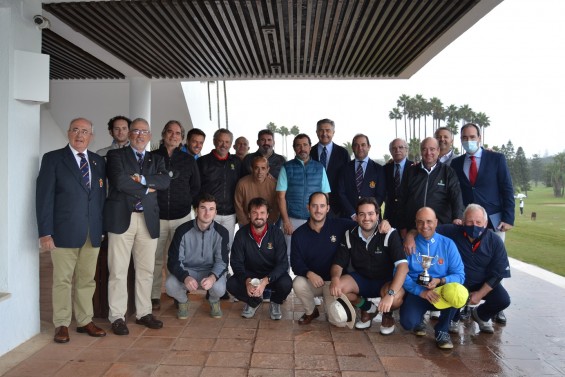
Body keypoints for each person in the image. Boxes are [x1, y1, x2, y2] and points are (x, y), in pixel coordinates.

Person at [36, 118, 107, 343]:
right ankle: (62, 323)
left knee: (87, 280)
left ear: (91, 137)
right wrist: (45, 232)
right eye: (75, 130)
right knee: (63, 280)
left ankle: (85, 320)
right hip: (63, 232)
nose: (79, 134)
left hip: (92, 232)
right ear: (68, 133)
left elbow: (100, 199)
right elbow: (44, 198)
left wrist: (101, 229)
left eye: (85, 131)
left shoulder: (97, 162)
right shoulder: (53, 159)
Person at [105, 118, 171, 335]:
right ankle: (117, 316)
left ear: (150, 136)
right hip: (121, 218)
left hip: (148, 220)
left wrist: (140, 179)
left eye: (144, 131)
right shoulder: (116, 155)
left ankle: (144, 313)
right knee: (118, 271)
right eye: (135, 131)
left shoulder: (157, 158)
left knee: (146, 270)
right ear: (129, 134)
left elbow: (164, 182)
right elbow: (119, 181)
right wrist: (146, 188)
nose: (140, 135)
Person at [451, 123, 514, 324]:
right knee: (467, 261)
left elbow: (506, 187)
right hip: (468, 220)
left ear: (479, 137)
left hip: (493, 221)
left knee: (496, 261)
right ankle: (463, 303)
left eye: (472, 136)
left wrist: (508, 217)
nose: (468, 140)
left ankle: (493, 308)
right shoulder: (457, 162)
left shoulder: (496, 158)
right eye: (464, 137)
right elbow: (456, 193)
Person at [329, 197, 408, 334]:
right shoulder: (349, 234)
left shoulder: (389, 233)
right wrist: (335, 279)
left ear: (377, 215)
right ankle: (368, 308)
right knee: (337, 289)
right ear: (357, 217)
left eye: (371, 214)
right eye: (362, 214)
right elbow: (338, 263)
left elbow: (403, 267)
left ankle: (387, 315)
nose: (367, 218)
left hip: (386, 282)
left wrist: (390, 294)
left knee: (395, 297)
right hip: (362, 279)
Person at [434, 204, 511, 334]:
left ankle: (481, 315)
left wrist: (480, 294)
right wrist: (411, 235)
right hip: (459, 281)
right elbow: (428, 229)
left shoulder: (495, 241)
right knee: (454, 292)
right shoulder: (452, 232)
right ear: (463, 222)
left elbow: (499, 273)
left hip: (482, 282)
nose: (474, 225)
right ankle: (454, 318)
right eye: (469, 222)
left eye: (478, 222)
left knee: (503, 300)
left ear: (486, 223)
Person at [151, 120, 201, 310]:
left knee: (180, 259)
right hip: (157, 217)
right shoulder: (152, 157)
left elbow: (195, 187)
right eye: (170, 132)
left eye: (178, 133)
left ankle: (178, 293)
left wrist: (191, 206)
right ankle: (154, 295)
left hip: (181, 217)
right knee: (155, 258)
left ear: (182, 138)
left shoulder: (188, 160)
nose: (173, 136)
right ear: (164, 134)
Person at [399, 207, 465, 349]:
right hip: (418, 290)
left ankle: (442, 329)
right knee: (407, 323)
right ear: (415, 224)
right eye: (420, 222)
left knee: (457, 292)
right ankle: (419, 319)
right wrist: (420, 291)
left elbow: (460, 275)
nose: (425, 226)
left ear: (436, 222)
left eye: (429, 221)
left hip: (441, 291)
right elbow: (399, 273)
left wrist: (441, 281)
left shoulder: (448, 244)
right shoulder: (408, 245)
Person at [291, 192, 355, 325]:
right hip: (313, 282)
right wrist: (309, 274)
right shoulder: (298, 234)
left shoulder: (341, 225)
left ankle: (332, 303)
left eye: (322, 206)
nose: (318, 210)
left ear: (328, 208)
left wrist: (383, 223)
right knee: (298, 282)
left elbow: (365, 223)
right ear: (308, 207)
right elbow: (295, 263)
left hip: (334, 283)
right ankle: (311, 312)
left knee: (339, 322)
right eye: (314, 206)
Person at [165, 193, 229, 319]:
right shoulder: (182, 231)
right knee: (170, 285)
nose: (207, 213)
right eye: (203, 208)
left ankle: (213, 300)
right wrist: (185, 277)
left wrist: (212, 278)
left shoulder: (222, 232)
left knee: (220, 288)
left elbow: (222, 262)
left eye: (211, 209)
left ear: (215, 212)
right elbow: (173, 261)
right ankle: (183, 302)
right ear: (196, 210)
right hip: (188, 271)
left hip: (209, 271)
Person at [227, 197, 292, 320]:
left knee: (286, 283)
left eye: (262, 213)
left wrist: (265, 281)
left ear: (267, 215)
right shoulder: (241, 234)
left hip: (271, 274)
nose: (258, 216)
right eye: (254, 213)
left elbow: (283, 264)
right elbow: (236, 262)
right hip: (250, 274)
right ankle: (253, 301)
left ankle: (275, 302)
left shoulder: (276, 233)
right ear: (249, 215)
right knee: (231, 284)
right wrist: (247, 281)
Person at [276, 133, 330, 265]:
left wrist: (323, 219)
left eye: (305, 145)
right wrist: (286, 221)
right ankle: (287, 284)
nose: (302, 148)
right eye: (298, 146)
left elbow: (325, 196)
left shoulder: (319, 168)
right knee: (288, 254)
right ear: (294, 148)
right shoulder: (286, 168)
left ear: (310, 147)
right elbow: (280, 197)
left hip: (315, 220)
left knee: (315, 253)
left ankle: (312, 284)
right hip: (292, 220)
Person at [398, 137, 464, 236]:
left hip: (441, 228)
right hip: (414, 228)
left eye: (432, 149)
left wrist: (458, 217)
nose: (428, 153)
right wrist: (402, 227)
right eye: (424, 149)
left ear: (438, 151)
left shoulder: (448, 172)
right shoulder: (410, 172)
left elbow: (456, 196)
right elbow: (402, 200)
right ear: (421, 151)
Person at [197, 128, 242, 247]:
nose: (224, 145)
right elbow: (196, 186)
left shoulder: (236, 162)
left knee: (226, 247)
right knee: (206, 246)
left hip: (230, 214)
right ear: (214, 141)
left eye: (227, 142)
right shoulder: (203, 162)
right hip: (209, 213)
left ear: (231, 144)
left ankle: (223, 266)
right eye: (221, 141)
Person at [338, 134, 386, 219]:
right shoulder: (344, 169)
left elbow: (380, 195)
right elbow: (341, 193)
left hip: (371, 218)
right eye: (356, 145)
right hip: (349, 218)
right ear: (352, 148)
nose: (360, 148)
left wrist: (368, 213)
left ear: (369, 147)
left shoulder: (379, 169)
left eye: (363, 145)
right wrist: (352, 214)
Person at [310, 118, 351, 216]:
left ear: (333, 132)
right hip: (313, 206)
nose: (324, 133)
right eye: (321, 130)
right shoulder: (309, 152)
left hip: (337, 208)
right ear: (316, 132)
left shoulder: (343, 153)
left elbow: (348, 180)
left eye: (328, 130)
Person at [234, 156, 280, 226]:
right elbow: (238, 204)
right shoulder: (242, 183)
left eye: (263, 168)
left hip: (267, 223)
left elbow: (276, 206)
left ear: (268, 170)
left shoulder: (274, 185)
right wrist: (245, 223)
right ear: (251, 169)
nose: (260, 172)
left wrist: (269, 222)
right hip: (246, 222)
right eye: (256, 168)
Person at [383, 138, 413, 229]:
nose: (397, 150)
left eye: (401, 147)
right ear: (390, 151)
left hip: (409, 217)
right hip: (390, 217)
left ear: (406, 150)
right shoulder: (384, 169)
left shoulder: (415, 168)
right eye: (394, 148)